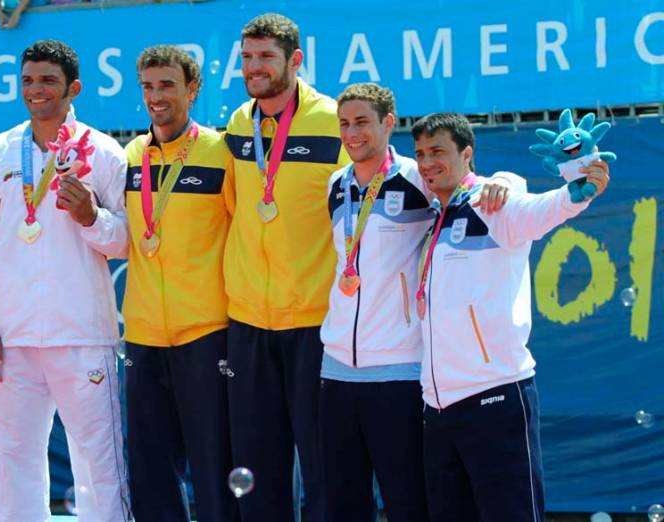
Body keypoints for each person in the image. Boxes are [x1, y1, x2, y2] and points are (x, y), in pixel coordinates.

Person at [319, 84, 512, 522]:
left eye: (363, 122)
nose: (352, 133)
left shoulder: (417, 178)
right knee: (342, 502)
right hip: (335, 369)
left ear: (388, 123)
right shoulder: (336, 183)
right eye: (345, 124)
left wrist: (504, 180)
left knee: (408, 500)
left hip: (398, 369)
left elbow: (475, 187)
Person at [410, 112, 610, 522]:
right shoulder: (435, 217)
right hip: (437, 408)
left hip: (494, 396)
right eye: (420, 154)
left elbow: (540, 209)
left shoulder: (492, 204)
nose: (427, 162)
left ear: (467, 154)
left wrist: (577, 192)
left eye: (438, 152)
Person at [0, 39, 131, 522]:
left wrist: (89, 215)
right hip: (13, 337)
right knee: (15, 462)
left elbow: (124, 241)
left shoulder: (102, 151)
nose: (36, 91)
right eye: (29, 81)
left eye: (48, 81)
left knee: (99, 462)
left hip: (82, 333)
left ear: (73, 87)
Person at [221, 13, 349, 522]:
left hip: (315, 318)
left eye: (266, 57)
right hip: (249, 320)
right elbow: (234, 210)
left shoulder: (335, 120)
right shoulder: (236, 124)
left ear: (295, 60)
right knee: (256, 464)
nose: (254, 68)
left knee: (324, 463)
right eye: (247, 57)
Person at [121, 44, 239, 522]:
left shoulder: (223, 152)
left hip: (206, 333)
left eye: (167, 85)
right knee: (149, 472)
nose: (156, 96)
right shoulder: (131, 154)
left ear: (193, 89)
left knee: (216, 467)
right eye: (148, 87)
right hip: (144, 335)